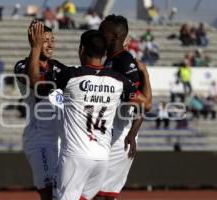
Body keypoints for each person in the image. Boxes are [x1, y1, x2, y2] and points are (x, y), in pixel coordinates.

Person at [28, 23, 150, 200]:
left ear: (82, 49)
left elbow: (34, 82)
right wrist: (145, 75)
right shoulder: (118, 80)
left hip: (75, 158)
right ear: (103, 53)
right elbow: (146, 104)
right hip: (101, 159)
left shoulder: (71, 76)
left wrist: (36, 46)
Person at [96, 15, 152, 200]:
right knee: (96, 192)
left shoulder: (125, 62)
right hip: (109, 133)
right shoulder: (111, 60)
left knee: (102, 194)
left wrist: (132, 135)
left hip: (122, 137)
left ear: (113, 36)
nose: (98, 34)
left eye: (102, 31)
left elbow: (142, 103)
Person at [14, 22, 65, 200]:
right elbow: (33, 81)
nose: (51, 45)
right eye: (45, 41)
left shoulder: (58, 67)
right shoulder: (21, 66)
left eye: (53, 40)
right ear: (34, 41)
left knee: (65, 192)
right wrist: (35, 47)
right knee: (49, 193)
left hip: (61, 139)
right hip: (39, 139)